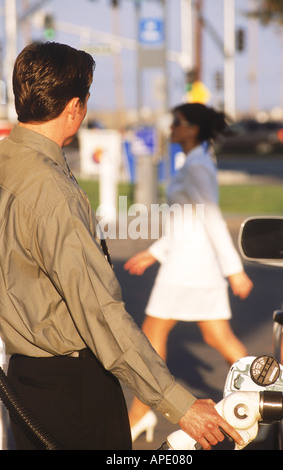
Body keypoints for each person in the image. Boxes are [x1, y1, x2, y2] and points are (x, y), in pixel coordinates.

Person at [0, 42, 244, 451]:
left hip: (23, 379)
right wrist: (181, 405)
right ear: (75, 106)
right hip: (72, 390)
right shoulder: (51, 191)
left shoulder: (9, 165)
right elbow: (99, 312)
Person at [124, 103, 253, 442]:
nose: (172, 128)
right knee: (216, 338)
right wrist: (154, 252)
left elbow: (209, 219)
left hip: (188, 271)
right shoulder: (194, 163)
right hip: (187, 266)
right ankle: (262, 397)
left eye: (177, 122)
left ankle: (139, 414)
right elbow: (186, 223)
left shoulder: (198, 168)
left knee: (152, 337)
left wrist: (234, 270)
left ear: (193, 129)